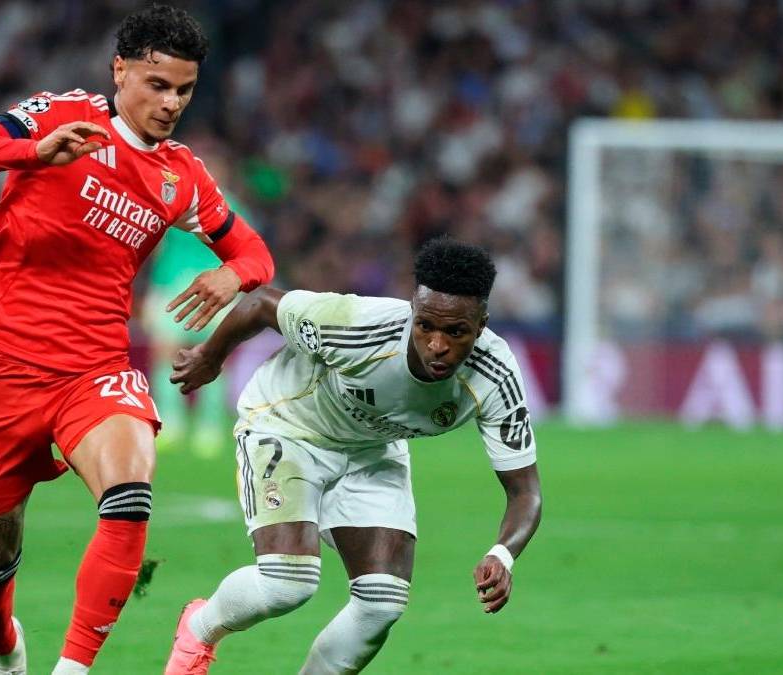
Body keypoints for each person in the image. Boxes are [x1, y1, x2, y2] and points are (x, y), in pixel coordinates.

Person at [0, 5, 274, 674]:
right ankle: (5, 651)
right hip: (3, 364)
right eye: (157, 84)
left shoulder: (181, 176)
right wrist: (33, 151)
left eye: (184, 89)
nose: (170, 102)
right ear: (121, 70)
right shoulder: (63, 117)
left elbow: (254, 251)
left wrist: (232, 275)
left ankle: (73, 668)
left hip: (94, 368)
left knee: (130, 493)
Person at [164, 237, 542, 674]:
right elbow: (263, 304)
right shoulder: (358, 326)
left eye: (455, 332)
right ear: (412, 312)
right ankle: (199, 628)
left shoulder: (495, 375)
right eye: (425, 326)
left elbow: (525, 491)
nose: (436, 345)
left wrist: (503, 553)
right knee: (288, 583)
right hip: (289, 423)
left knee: (382, 603)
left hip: (371, 450)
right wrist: (211, 358)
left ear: (480, 326)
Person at [142, 180, 259, 458]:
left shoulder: (231, 206)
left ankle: (210, 425)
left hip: (216, 285)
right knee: (167, 353)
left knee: (214, 355)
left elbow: (244, 248)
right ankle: (172, 422)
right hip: (173, 283)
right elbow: (156, 245)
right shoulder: (171, 202)